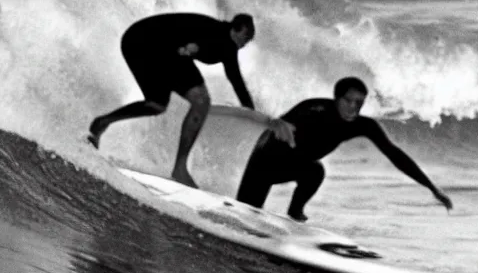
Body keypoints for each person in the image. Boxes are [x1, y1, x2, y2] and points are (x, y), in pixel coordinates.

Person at [88, 12, 295, 187]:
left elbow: (235, 79)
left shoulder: (227, 44)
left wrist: (251, 112)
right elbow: (201, 39)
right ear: (237, 28)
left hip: (141, 42)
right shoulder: (217, 35)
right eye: (246, 37)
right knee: (201, 101)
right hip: (147, 43)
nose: (246, 43)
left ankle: (102, 122)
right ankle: (179, 169)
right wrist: (192, 46)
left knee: (156, 104)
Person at [236, 76, 453, 221]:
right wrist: (279, 125)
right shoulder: (314, 108)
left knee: (316, 171)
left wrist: (432, 188)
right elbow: (276, 125)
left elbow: (394, 154)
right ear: (337, 98)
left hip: (296, 165)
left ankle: (295, 213)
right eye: (348, 101)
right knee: (245, 215)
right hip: (265, 162)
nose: (353, 108)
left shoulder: (361, 125)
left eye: (359, 103)